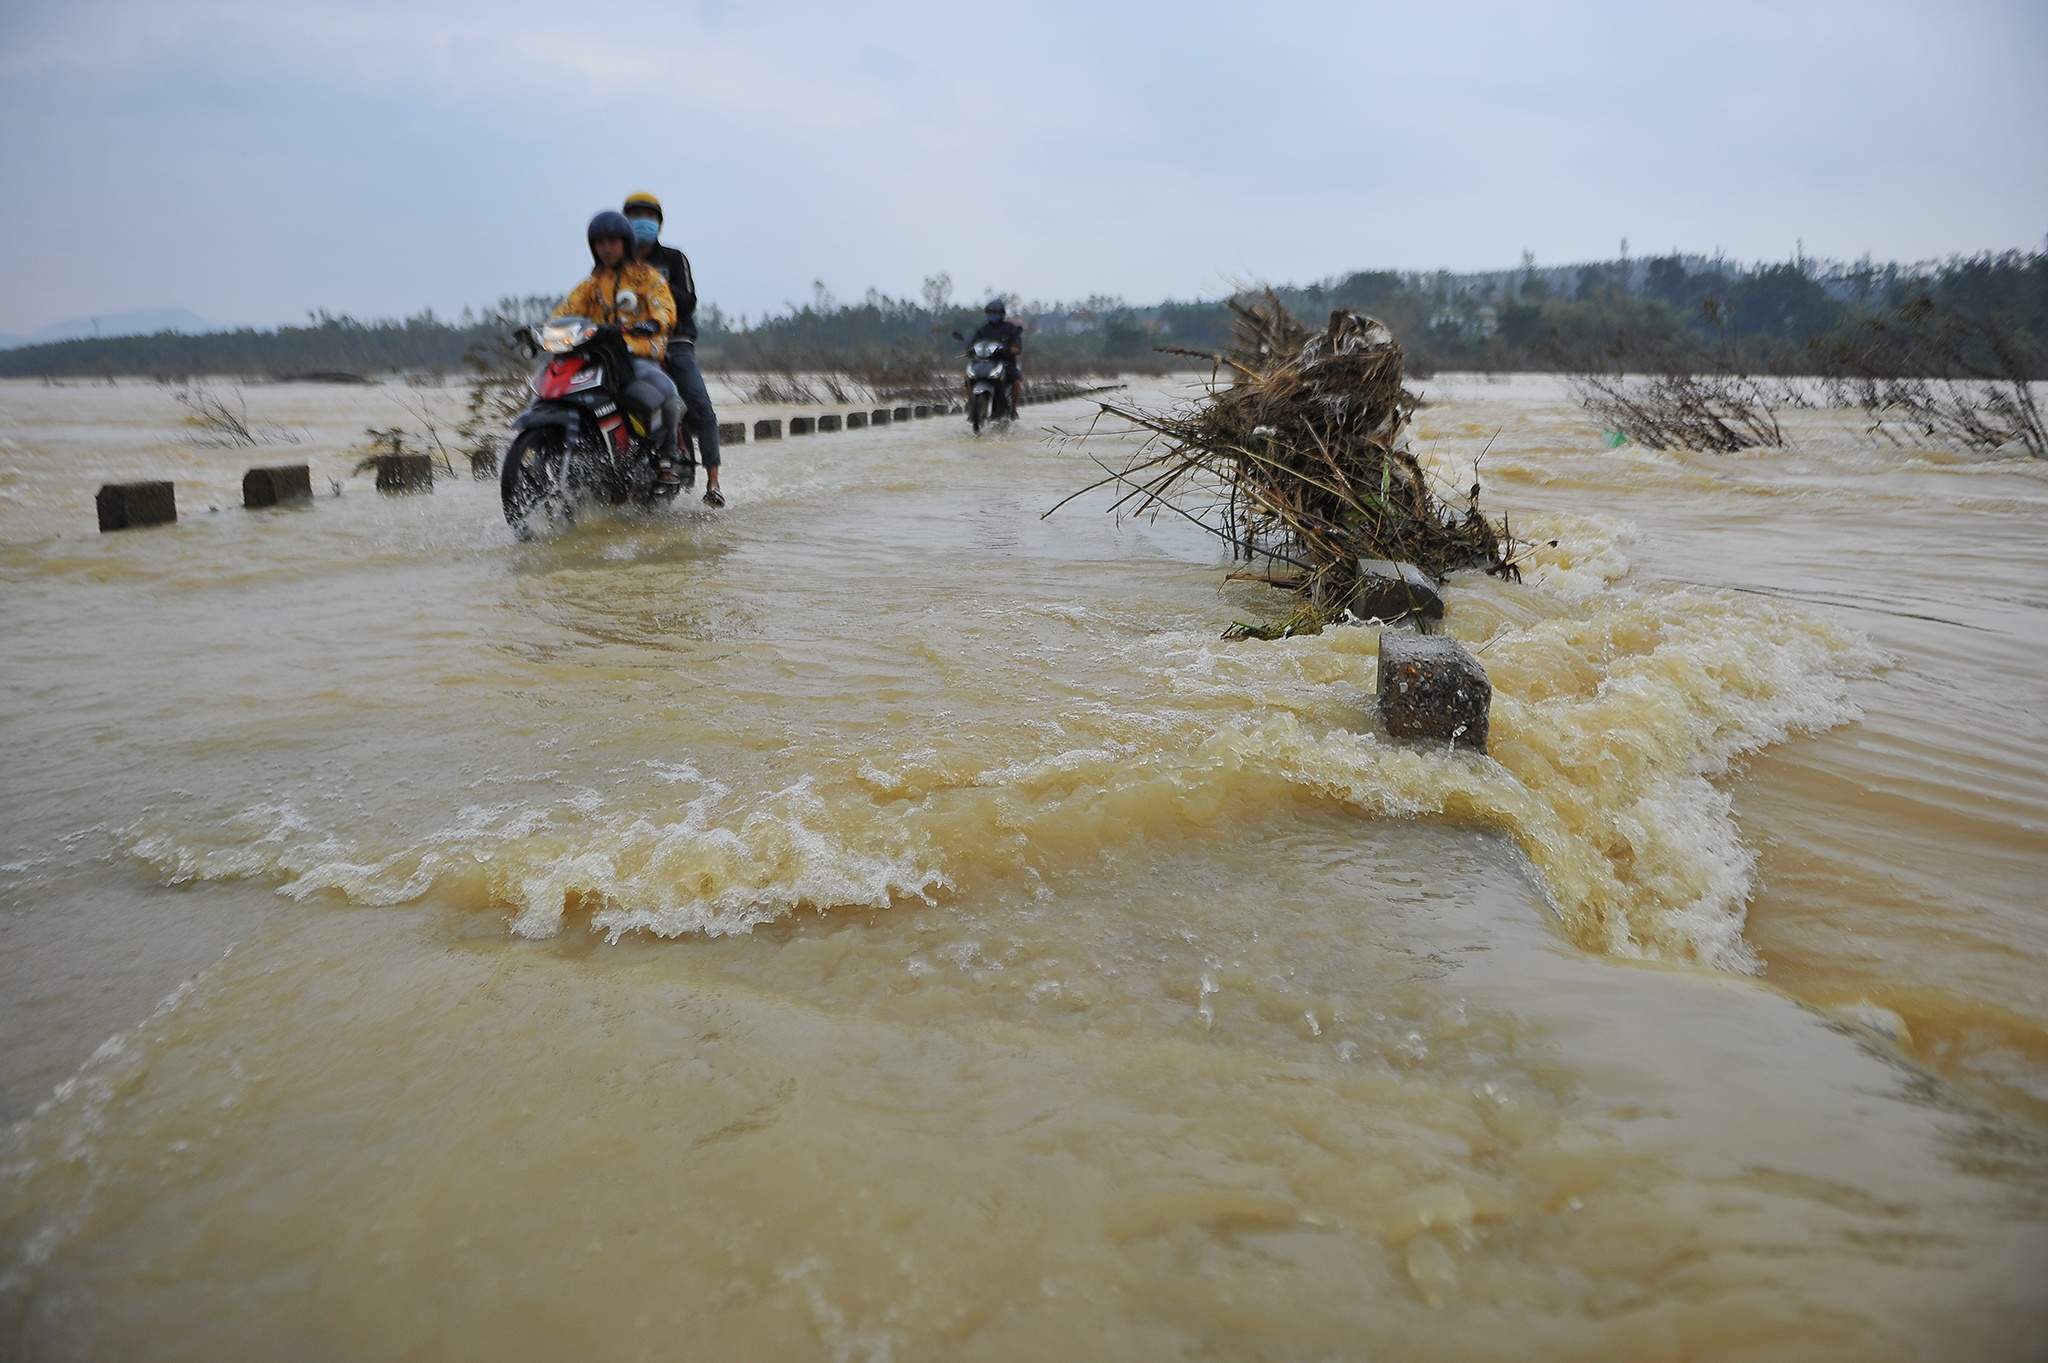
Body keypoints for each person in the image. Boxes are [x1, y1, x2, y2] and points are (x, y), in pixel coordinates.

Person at [555, 210, 687, 485]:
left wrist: (654, 322)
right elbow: (565, 312)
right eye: (601, 243)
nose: (607, 248)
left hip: (638, 356)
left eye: (613, 241)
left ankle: (668, 457)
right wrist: (543, 331)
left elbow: (665, 307)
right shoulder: (590, 286)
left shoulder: (646, 277)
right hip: (598, 356)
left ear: (626, 242)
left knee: (667, 392)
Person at [624, 192, 723, 507]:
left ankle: (713, 483)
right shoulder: (615, 266)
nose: (642, 222)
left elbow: (689, 301)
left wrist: (655, 287)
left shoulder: (674, 259)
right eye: (635, 216)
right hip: (633, 345)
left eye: (648, 217)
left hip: (675, 342)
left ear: (658, 224)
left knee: (701, 407)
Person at [968, 298, 1024, 414]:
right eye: (990, 313)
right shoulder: (982, 330)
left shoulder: (1010, 328)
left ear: (1002, 314)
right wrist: (968, 349)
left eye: (995, 313)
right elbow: (973, 343)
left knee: (1016, 381)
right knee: (967, 378)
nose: (992, 315)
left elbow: (1016, 344)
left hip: (1005, 362)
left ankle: (1013, 409)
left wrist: (1014, 347)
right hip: (984, 363)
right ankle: (972, 406)